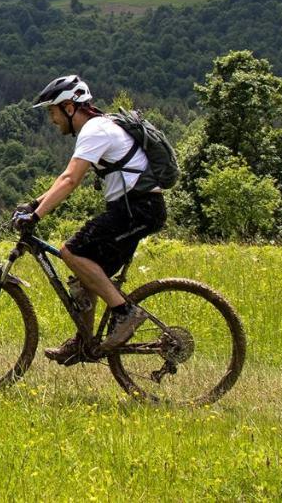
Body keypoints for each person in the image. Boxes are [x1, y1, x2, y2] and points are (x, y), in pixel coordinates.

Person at [15, 74, 168, 364]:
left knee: (70, 251)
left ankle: (126, 313)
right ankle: (85, 342)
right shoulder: (99, 127)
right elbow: (66, 179)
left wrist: (35, 215)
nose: (52, 119)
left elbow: (71, 179)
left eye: (53, 111)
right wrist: (35, 203)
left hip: (138, 209)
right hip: (133, 208)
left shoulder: (95, 130)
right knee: (86, 274)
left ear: (70, 107)